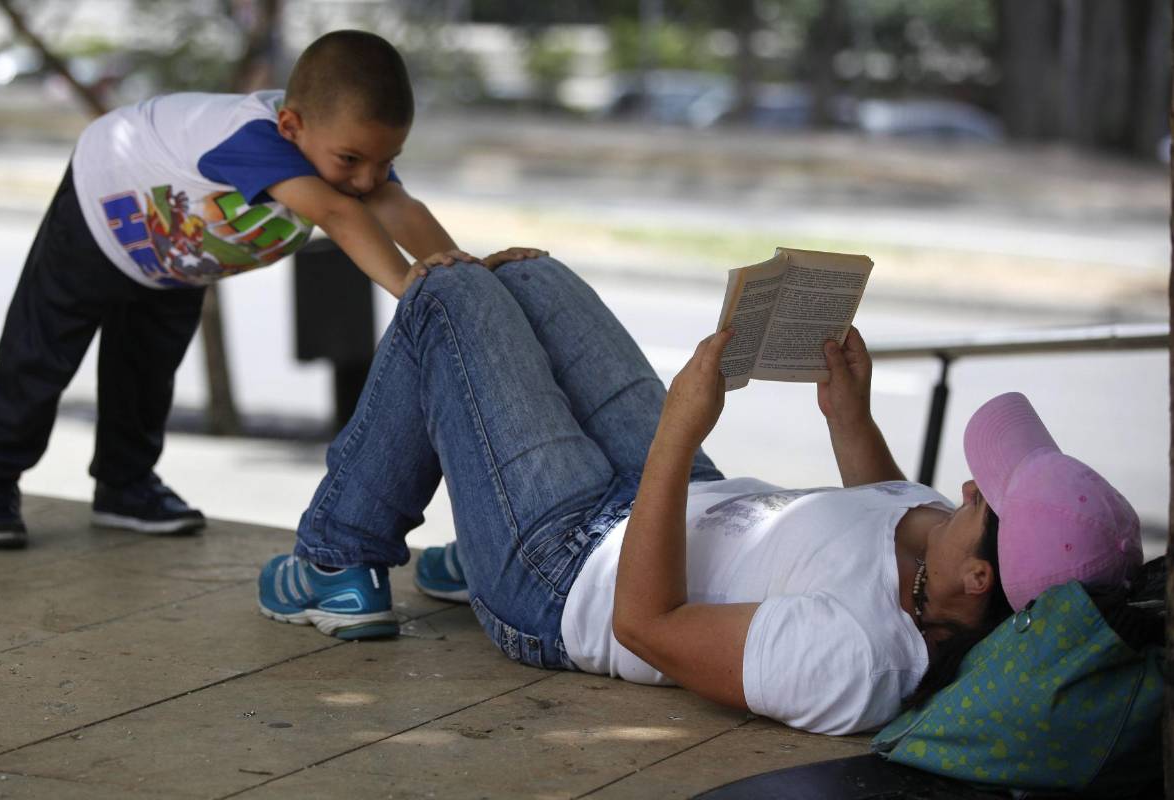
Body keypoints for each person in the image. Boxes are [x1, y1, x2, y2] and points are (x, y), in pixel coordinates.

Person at [257, 256, 1142, 735]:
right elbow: (879, 502)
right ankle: (468, 549)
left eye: (987, 498)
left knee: (448, 294)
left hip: (567, 575)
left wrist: (679, 428)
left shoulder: (853, 660)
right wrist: (847, 413)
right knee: (530, 276)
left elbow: (647, 627)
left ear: (981, 582)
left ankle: (337, 557)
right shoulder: (939, 557)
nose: (968, 483)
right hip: (674, 505)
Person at [0, 30, 529, 548]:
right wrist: (413, 288)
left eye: (386, 161)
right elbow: (338, 212)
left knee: (148, 369)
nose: (367, 180)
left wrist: (461, 273)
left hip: (177, 257)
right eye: (352, 160)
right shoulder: (254, 138)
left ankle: (124, 486)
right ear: (291, 128)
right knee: (40, 353)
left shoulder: (351, 160)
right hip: (105, 207)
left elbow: (397, 207)